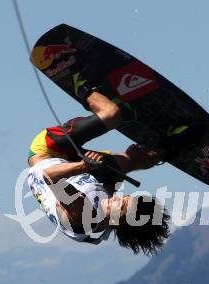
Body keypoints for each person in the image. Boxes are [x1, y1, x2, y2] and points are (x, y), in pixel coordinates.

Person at [27, 85, 198, 255]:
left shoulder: (82, 216)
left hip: (46, 152)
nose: (119, 198)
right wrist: (122, 168)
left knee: (112, 115)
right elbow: (110, 184)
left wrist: (83, 166)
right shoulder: (108, 213)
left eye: (122, 204)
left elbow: (49, 177)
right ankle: (168, 147)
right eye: (126, 198)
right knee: (134, 161)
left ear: (119, 222)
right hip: (74, 165)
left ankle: (83, 87)